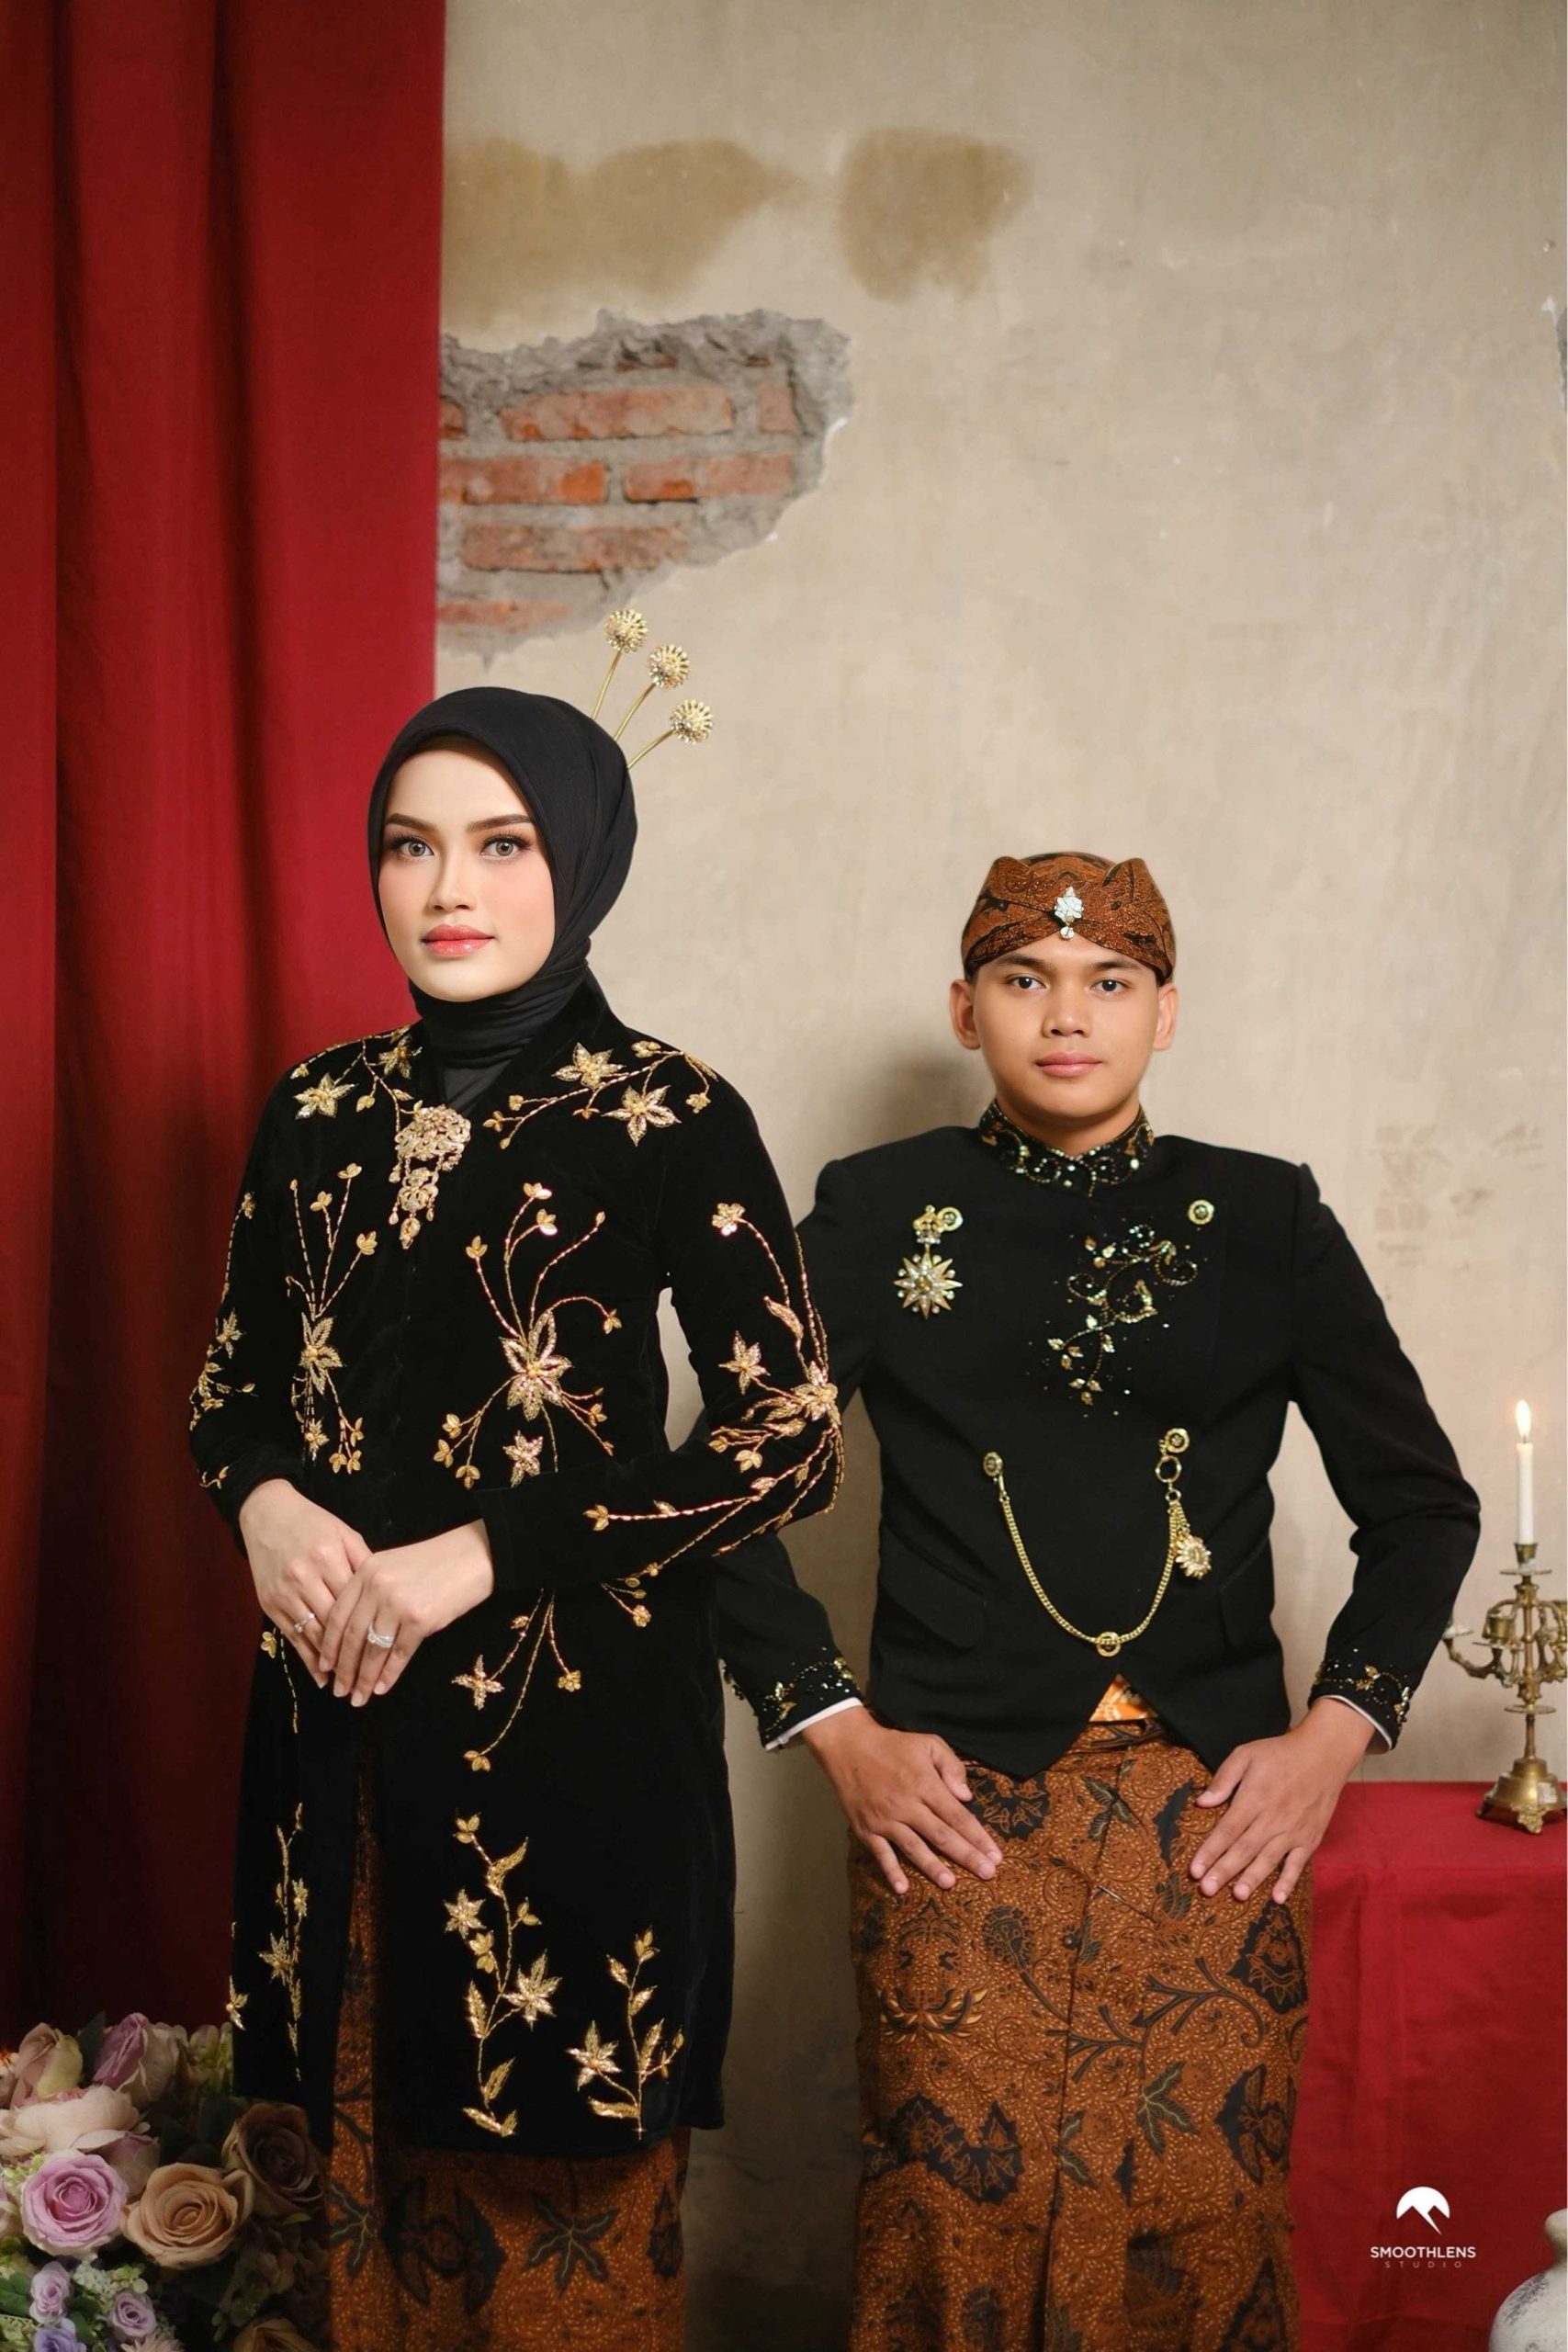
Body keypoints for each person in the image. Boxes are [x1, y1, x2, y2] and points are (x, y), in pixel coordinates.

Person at [712, 850, 1480, 2349]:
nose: (1067, 1015)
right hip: (953, 1816)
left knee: (1198, 2218)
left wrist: (1333, 1738)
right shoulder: (882, 1211)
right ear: (966, 1010)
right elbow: (722, 1492)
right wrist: (835, 1728)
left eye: (1109, 983)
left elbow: (1424, 1508)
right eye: (1026, 980)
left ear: (1164, 1014)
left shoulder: (1263, 1217)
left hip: (1216, 1816)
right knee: (955, 2219)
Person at [188, 653, 843, 2350]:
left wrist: (487, 1552)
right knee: (346, 2230)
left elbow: (788, 1439)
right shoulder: (319, 1107)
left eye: (501, 844)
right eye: (410, 845)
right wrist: (262, 1504)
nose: (447, 889)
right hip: (331, 1744)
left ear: (584, 861)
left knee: (560, 2256)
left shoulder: (670, 1113)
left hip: (569, 1756)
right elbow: (231, 1389)